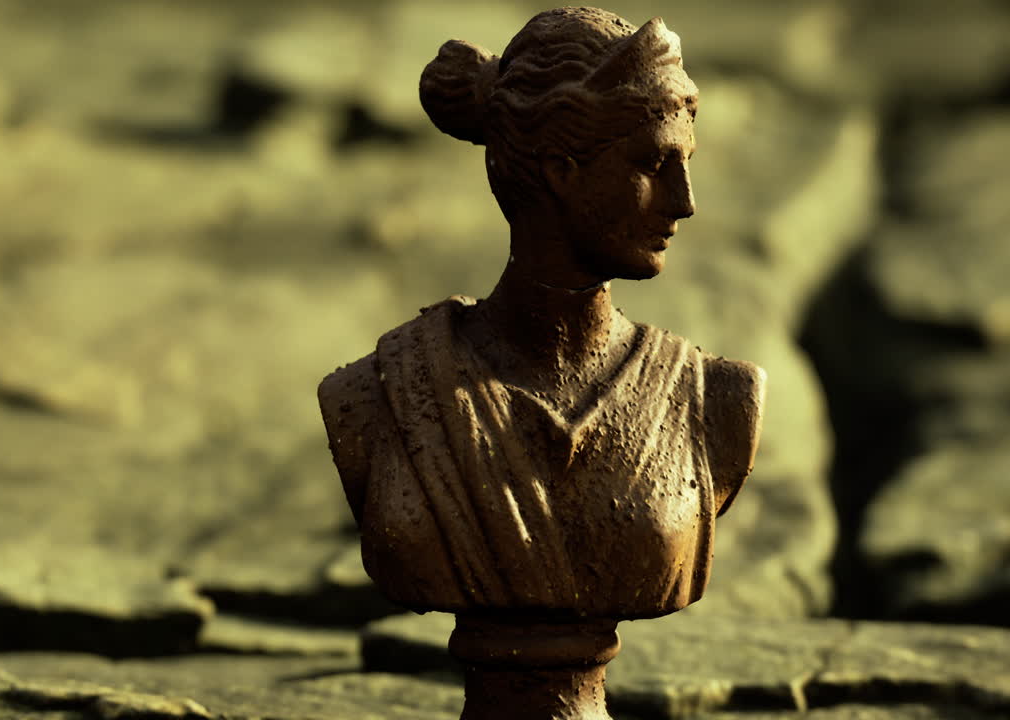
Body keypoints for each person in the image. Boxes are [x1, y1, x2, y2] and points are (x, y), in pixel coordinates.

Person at [319, 7, 764, 622]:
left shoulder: (719, 399)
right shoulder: (377, 396)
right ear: (560, 171)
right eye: (653, 164)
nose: (684, 203)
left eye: (685, 165)